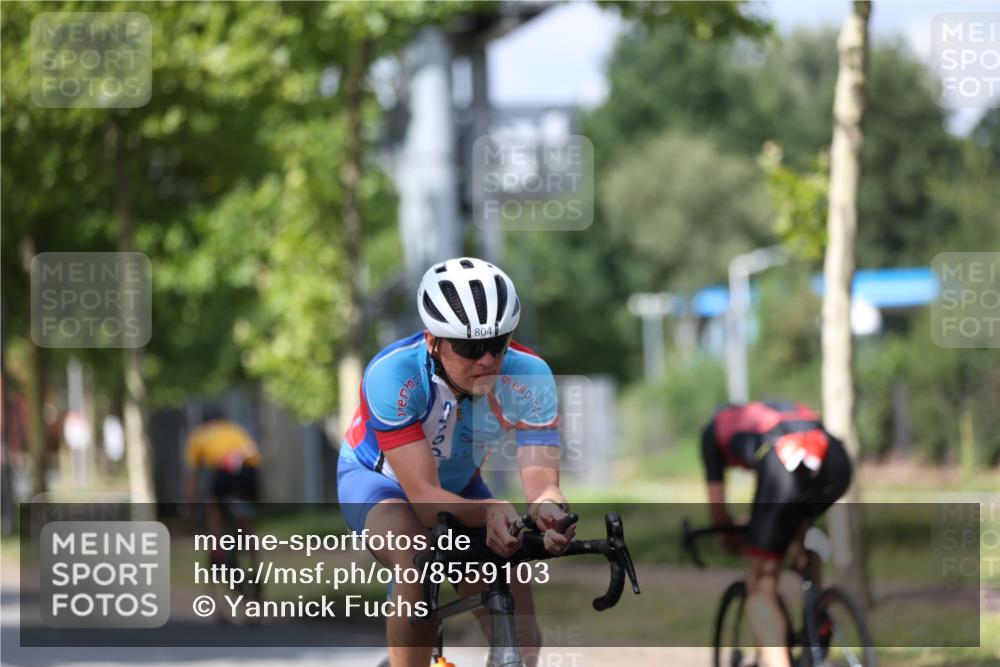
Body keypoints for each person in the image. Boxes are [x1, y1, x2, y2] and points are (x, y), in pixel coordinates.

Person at [338, 257, 573, 667]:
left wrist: (549, 512)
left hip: (463, 491)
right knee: (414, 551)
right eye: (469, 347)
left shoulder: (529, 376)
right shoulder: (392, 374)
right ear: (433, 341)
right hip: (381, 484)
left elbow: (542, 484)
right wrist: (489, 512)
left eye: (498, 343)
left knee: (519, 630)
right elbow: (426, 501)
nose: (486, 360)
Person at [700, 400, 853, 667]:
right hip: (836, 462)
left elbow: (718, 511)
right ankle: (816, 618)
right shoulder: (768, 410)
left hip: (784, 459)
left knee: (760, 585)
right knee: (796, 526)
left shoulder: (713, 431)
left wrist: (729, 534)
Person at [183, 408, 261, 561]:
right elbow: (254, 452)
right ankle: (255, 565)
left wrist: (189, 502)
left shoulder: (199, 435)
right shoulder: (236, 430)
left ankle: (217, 546)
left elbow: (192, 474)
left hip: (223, 474)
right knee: (248, 519)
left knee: (214, 506)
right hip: (248, 473)